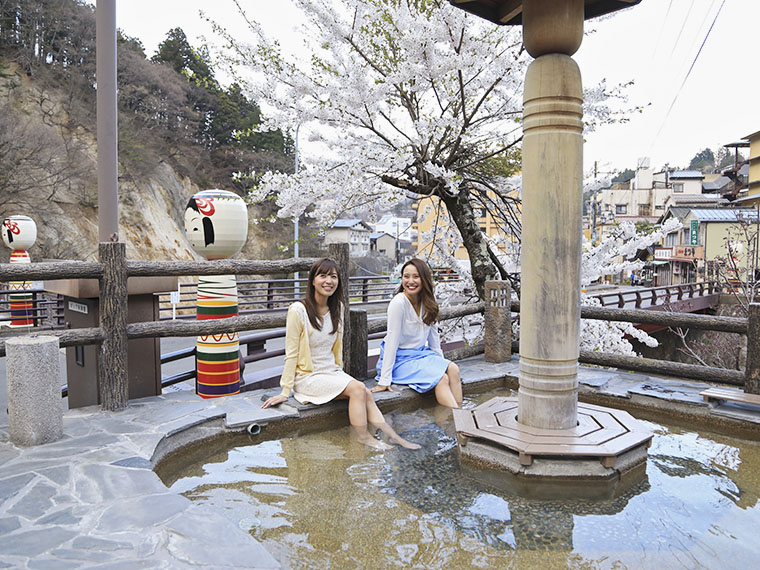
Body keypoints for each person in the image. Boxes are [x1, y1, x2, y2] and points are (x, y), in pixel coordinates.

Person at [262, 258, 419, 450]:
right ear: (312, 280)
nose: (329, 281)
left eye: (333, 277)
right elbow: (291, 353)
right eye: (323, 276)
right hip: (308, 377)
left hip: (331, 372)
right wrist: (285, 391)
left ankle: (393, 436)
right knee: (357, 388)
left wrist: (341, 377)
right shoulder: (298, 310)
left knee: (363, 391)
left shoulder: (338, 308)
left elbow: (337, 350)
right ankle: (363, 437)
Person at [370, 258, 462, 408]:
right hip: (399, 361)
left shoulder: (428, 303)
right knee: (441, 379)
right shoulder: (398, 303)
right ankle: (457, 421)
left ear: (424, 279)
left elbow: (434, 340)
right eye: (406, 276)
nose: (410, 281)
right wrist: (384, 380)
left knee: (453, 369)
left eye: (416, 276)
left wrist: (441, 365)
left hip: (420, 356)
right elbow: (391, 342)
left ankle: (462, 416)